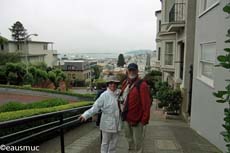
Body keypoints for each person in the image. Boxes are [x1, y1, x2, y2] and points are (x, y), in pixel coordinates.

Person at [79, 75, 121, 153]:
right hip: (106, 123)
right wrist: (85, 115)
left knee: (114, 144)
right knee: (105, 143)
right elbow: (95, 107)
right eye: (111, 83)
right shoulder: (104, 95)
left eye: (115, 83)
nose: (113, 85)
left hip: (117, 122)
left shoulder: (119, 93)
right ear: (108, 84)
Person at [118, 63, 151, 153]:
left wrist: (144, 119)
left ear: (137, 71)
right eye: (130, 70)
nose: (132, 72)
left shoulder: (142, 85)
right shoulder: (125, 83)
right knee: (129, 139)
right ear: (127, 71)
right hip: (126, 117)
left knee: (138, 142)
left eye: (134, 70)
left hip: (137, 118)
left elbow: (146, 103)